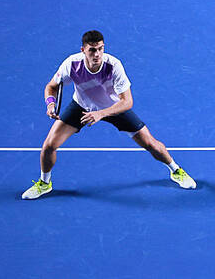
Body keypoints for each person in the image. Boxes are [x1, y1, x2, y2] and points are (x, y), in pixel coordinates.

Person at [22, 30, 196, 199]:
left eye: (100, 49)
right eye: (92, 50)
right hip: (81, 106)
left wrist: (101, 114)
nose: (97, 54)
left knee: (150, 144)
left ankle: (176, 170)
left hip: (114, 108)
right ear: (83, 50)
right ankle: (45, 184)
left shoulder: (114, 66)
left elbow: (127, 102)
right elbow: (51, 87)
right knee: (48, 146)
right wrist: (50, 105)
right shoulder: (71, 64)